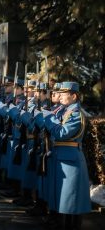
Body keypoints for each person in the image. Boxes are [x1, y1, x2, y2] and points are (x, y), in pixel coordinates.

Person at [38, 82, 91, 229]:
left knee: (70, 201)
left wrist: (49, 119)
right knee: (61, 199)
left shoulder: (76, 114)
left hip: (70, 160)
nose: (59, 96)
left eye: (64, 94)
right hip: (60, 157)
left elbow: (62, 133)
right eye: (59, 93)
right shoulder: (63, 111)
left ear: (74, 96)